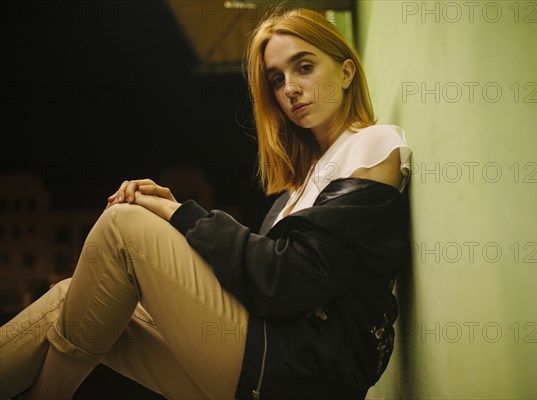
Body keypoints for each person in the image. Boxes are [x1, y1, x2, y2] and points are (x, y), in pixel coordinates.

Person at [0, 6, 412, 400]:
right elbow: (260, 272)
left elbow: (285, 279)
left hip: (300, 374)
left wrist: (179, 215)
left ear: (346, 71)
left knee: (122, 226)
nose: (290, 88)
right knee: (78, 298)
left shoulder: (373, 144)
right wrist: (178, 214)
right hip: (267, 360)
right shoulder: (297, 189)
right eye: (276, 79)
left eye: (304, 67)